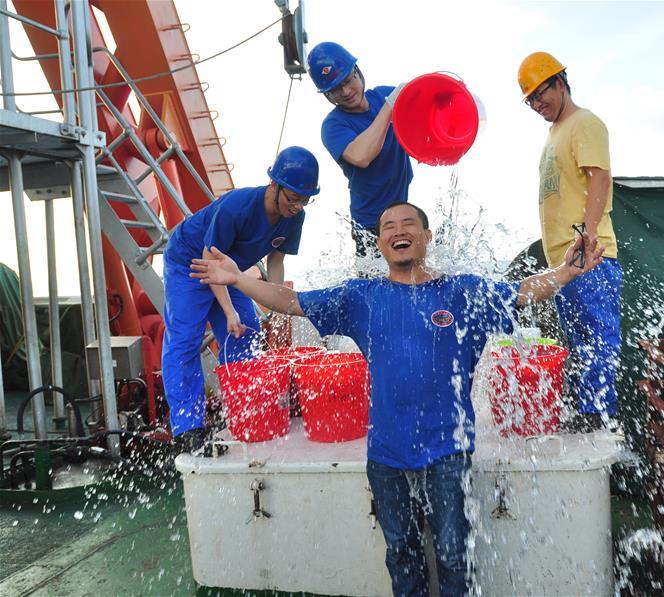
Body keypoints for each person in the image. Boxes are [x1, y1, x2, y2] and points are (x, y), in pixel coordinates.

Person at [189, 202, 604, 596]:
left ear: (426, 235)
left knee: (455, 556)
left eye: (408, 224)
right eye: (388, 226)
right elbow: (291, 303)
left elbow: (522, 292)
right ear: (380, 243)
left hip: (449, 452)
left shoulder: (463, 292)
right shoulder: (361, 297)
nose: (398, 231)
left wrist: (566, 273)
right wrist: (239, 279)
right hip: (386, 456)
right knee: (401, 555)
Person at [161, 146, 320, 452]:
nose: (298, 206)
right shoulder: (238, 205)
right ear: (273, 185)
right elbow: (210, 262)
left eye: (305, 199)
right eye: (293, 197)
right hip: (191, 262)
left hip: (229, 269)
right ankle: (187, 427)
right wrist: (228, 311)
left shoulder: (295, 217)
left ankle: (243, 411)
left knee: (247, 330)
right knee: (186, 338)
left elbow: (276, 261)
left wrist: (276, 305)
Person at [518, 51, 623, 428]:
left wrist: (590, 234)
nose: (536, 104)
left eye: (540, 94)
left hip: (590, 256)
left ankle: (599, 419)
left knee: (599, 340)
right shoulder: (553, 134)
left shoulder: (584, 122)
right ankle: (586, 414)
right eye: (529, 99)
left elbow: (599, 176)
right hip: (565, 265)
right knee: (580, 344)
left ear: (560, 82)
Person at [307, 41, 413, 258]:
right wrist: (390, 107)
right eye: (334, 89)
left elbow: (425, 120)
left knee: (415, 282)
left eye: (347, 80)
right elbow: (362, 156)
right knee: (373, 289)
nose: (345, 91)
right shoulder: (333, 125)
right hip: (369, 227)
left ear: (358, 72)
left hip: (402, 213)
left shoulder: (382, 95)